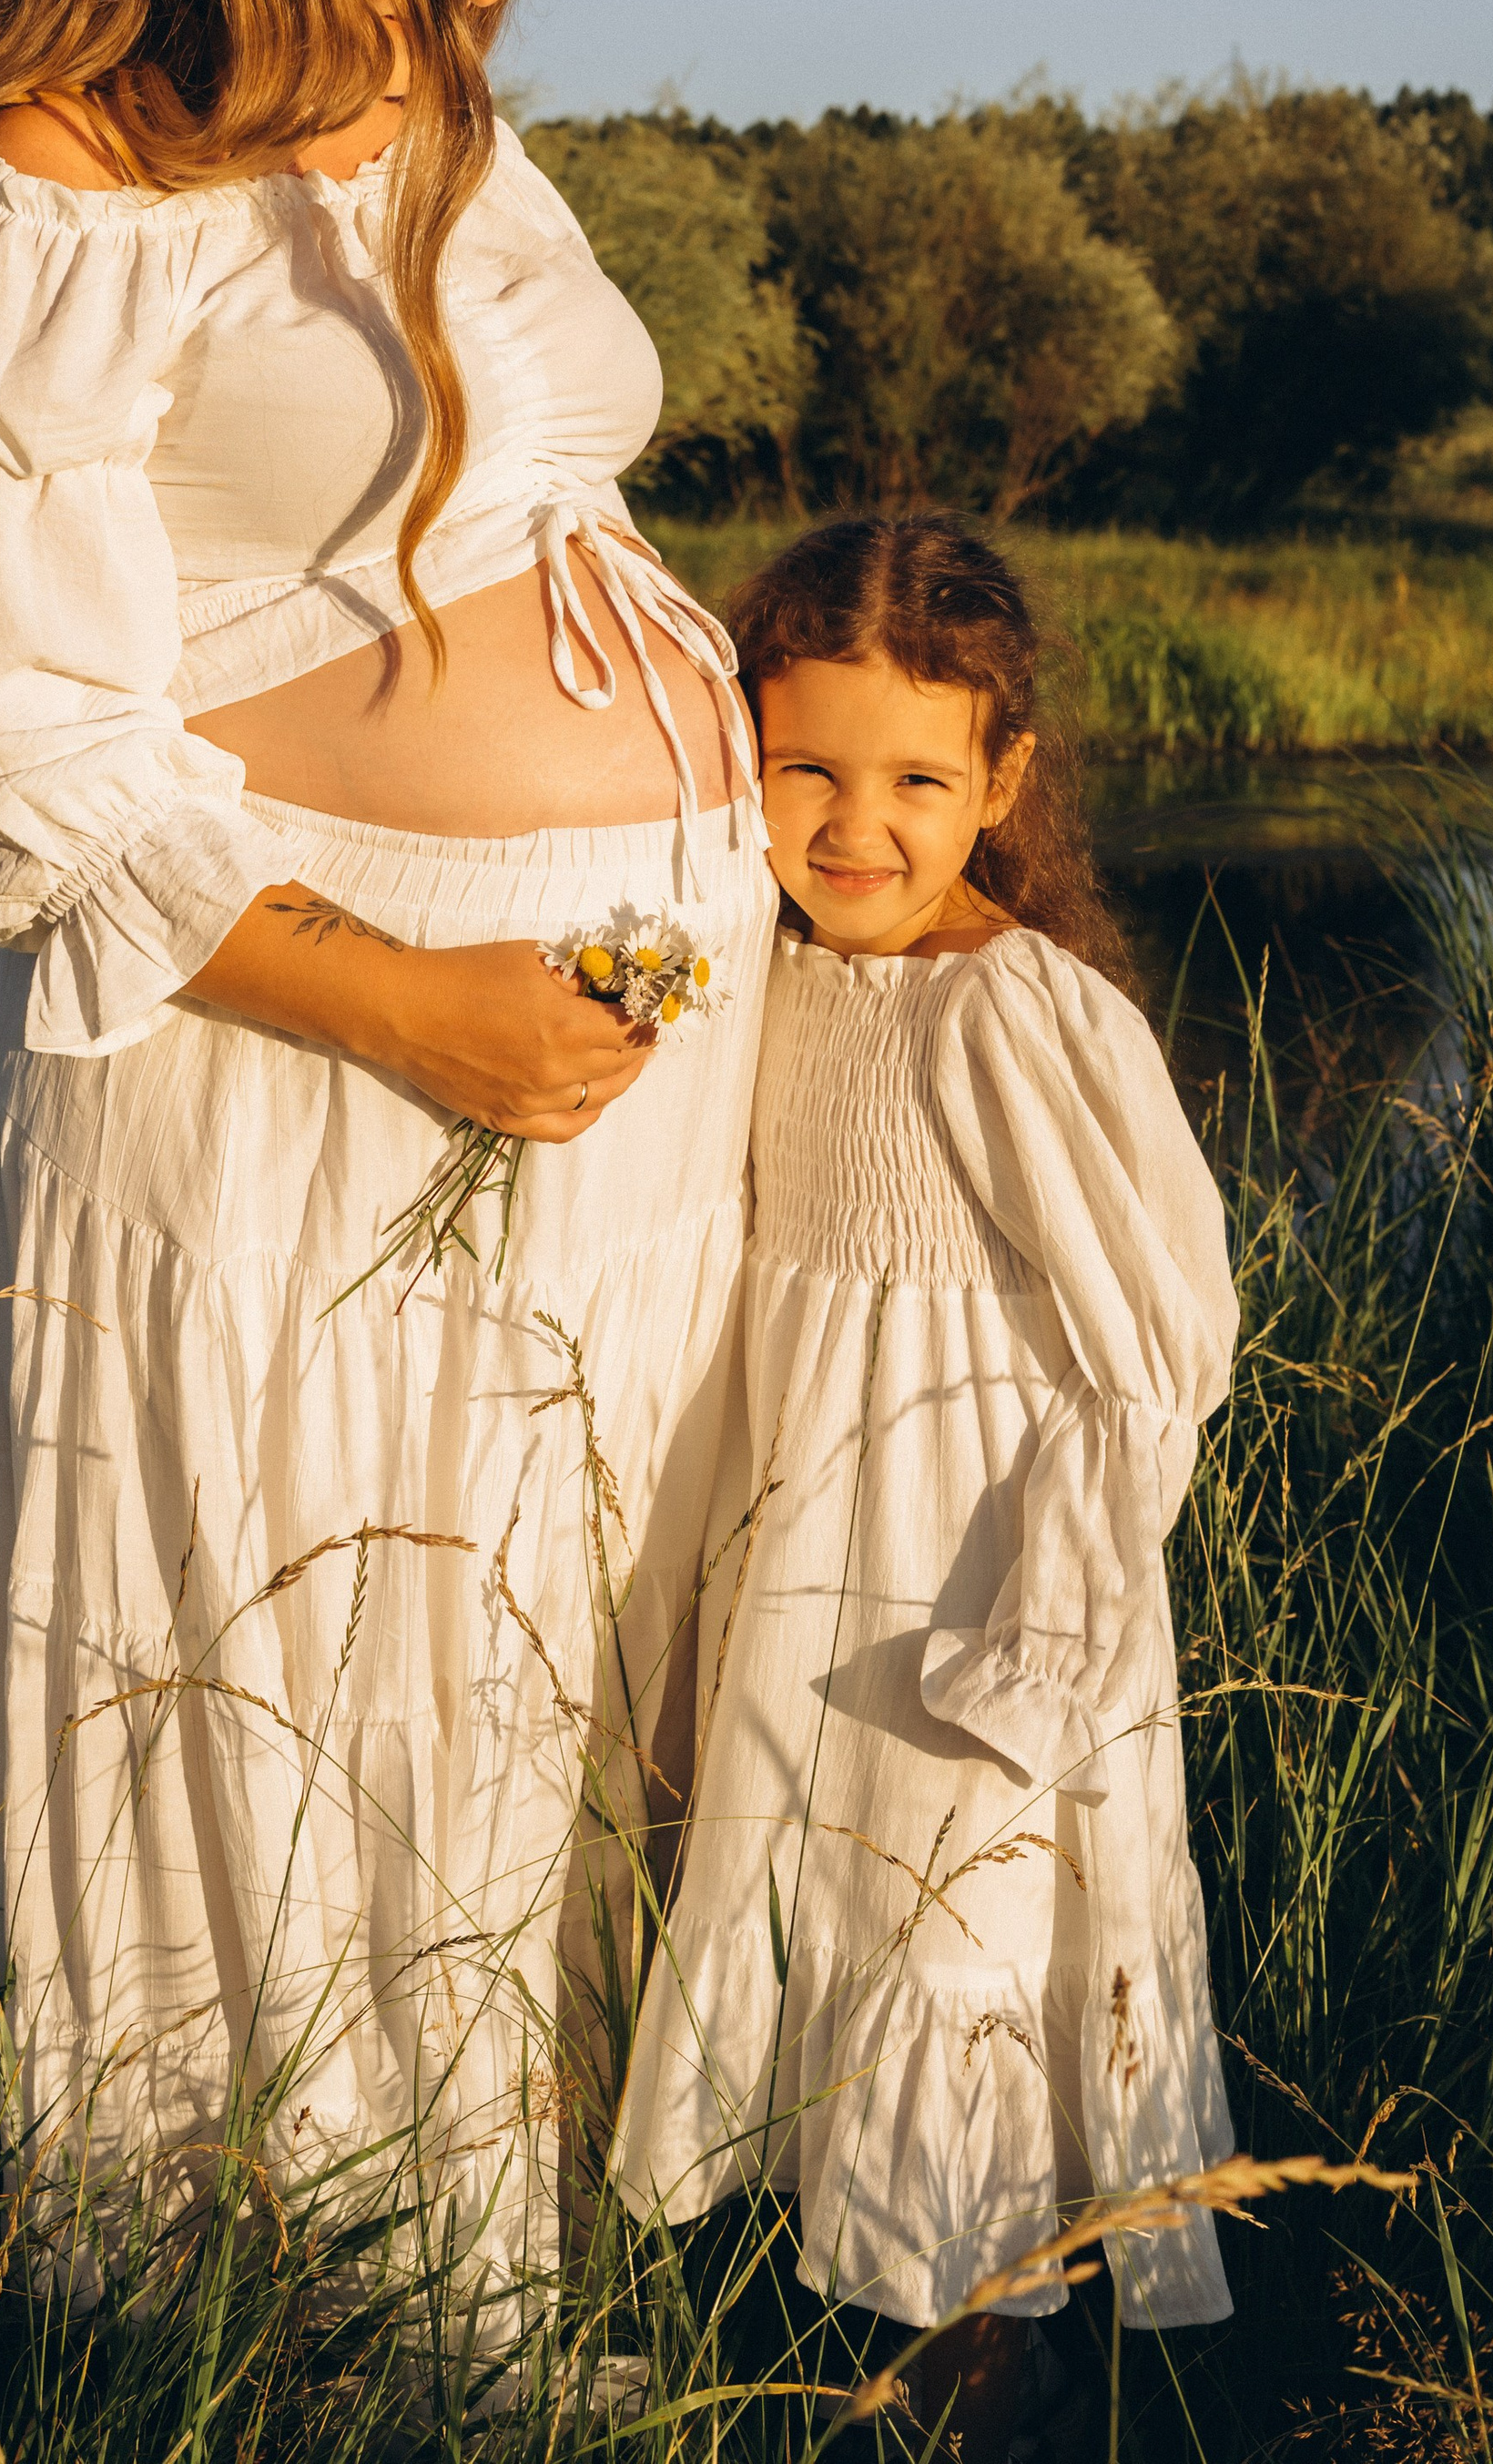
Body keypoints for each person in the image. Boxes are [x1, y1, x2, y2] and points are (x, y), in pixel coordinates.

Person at [0, 0, 772, 2322]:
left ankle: (576, 2245)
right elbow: (19, 751)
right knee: (320, 1677)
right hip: (297, 1066)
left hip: (595, 1047)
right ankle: (309, 2326)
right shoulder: (43, 184)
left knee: (545, 1665)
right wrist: (417, 1002)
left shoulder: (430, 99)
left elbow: (517, 505)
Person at [612, 515, 1238, 2460]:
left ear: (1001, 783)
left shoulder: (1019, 1014)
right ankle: (834, 2326)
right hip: (794, 1539)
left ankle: (975, 2382)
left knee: (941, 1934)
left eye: (913, 780)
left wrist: (1033, 1638)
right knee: (802, 1895)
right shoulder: (757, 972)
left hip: (960, 1567)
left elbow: (1158, 1341)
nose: (854, 828)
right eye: (804, 771)